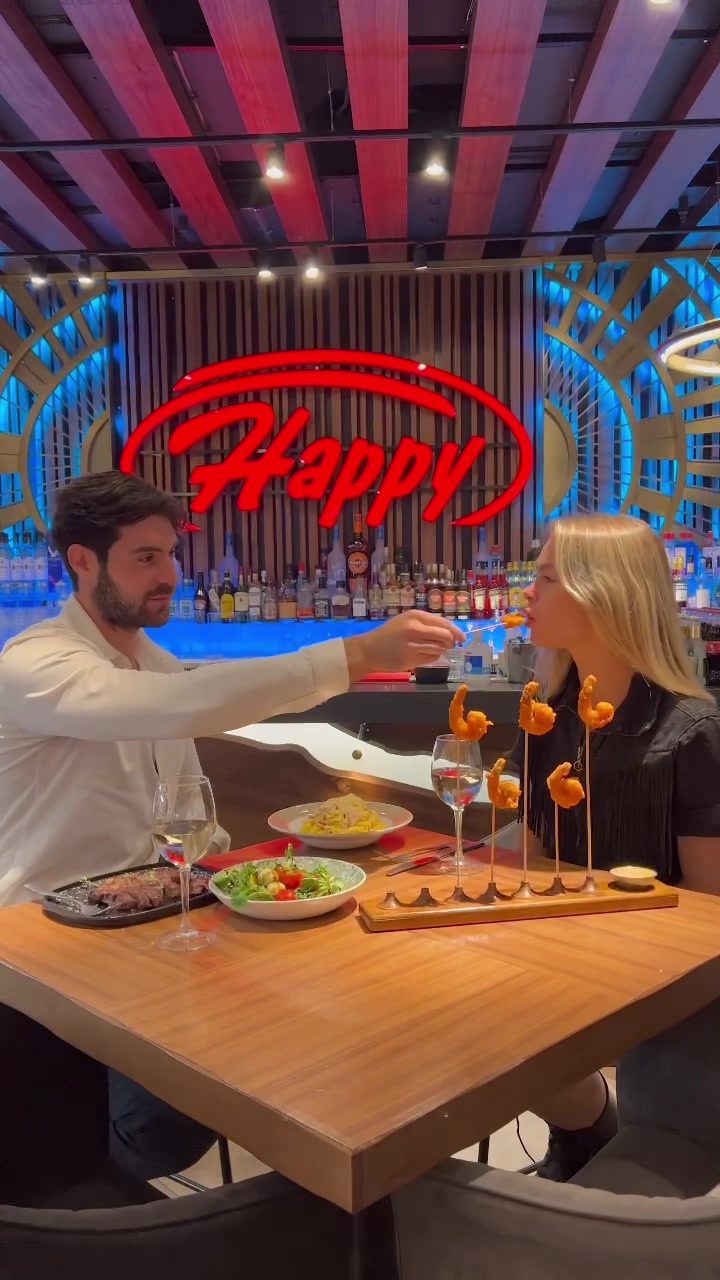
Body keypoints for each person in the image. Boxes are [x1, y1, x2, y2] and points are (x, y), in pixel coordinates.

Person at [0, 470, 464, 1180]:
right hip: (44, 944)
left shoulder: (154, 663)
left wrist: (227, 873)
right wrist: (357, 655)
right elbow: (168, 707)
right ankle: (65, 1190)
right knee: (160, 1124)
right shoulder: (34, 662)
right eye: (145, 557)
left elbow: (187, 803)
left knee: (302, 1026)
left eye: (170, 554)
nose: (169, 576)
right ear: (83, 562)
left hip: (150, 923)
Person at [503, 512, 720, 1181]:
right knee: (465, 1027)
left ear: (603, 594)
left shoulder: (691, 731)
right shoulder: (547, 716)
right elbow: (526, 850)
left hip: (660, 987)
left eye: (546, 578)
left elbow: (710, 908)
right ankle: (587, 1130)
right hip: (559, 955)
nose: (527, 592)